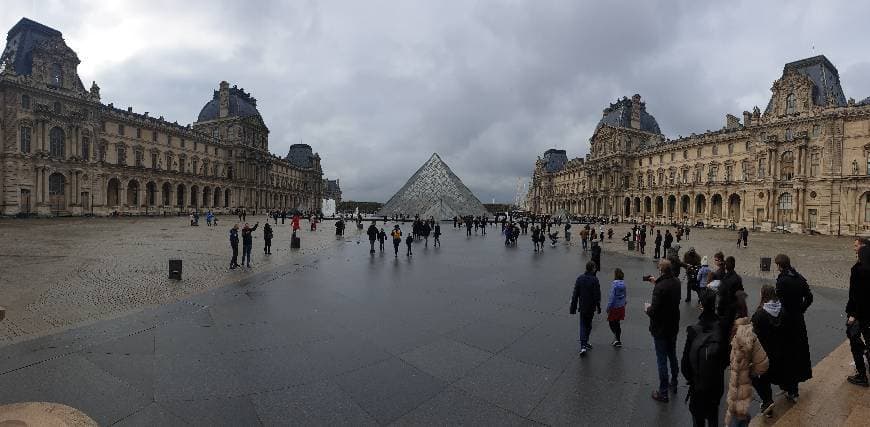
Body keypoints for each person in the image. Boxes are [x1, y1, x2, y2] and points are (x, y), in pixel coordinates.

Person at [681, 289, 726, 426]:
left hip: (698, 385)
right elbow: (725, 360)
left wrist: (692, 378)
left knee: (698, 419)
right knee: (713, 416)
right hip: (715, 385)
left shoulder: (694, 331)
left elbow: (685, 365)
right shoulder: (722, 329)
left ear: (701, 305)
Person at [724, 291, 769, 427]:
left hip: (739, 384)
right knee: (739, 415)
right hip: (740, 383)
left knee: (737, 416)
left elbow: (762, 362)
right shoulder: (745, 329)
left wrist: (751, 371)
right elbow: (762, 362)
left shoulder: (737, 331)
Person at [774, 254, 813, 402]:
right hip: (798, 321)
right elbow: (809, 297)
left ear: (779, 266)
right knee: (797, 353)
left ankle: (791, 389)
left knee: (786, 354)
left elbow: (779, 303)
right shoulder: (799, 277)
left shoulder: (782, 281)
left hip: (786, 322)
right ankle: (790, 386)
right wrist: (801, 310)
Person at [646, 259, 682, 402]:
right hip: (673, 325)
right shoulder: (677, 282)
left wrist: (647, 309)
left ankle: (663, 392)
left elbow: (654, 310)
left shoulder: (660, 288)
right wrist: (657, 282)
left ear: (661, 270)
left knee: (661, 359)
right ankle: (674, 383)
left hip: (660, 327)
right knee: (672, 354)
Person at [752, 284, 786, 417]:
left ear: (764, 295)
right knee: (775, 373)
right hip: (780, 350)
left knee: (759, 378)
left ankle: (767, 402)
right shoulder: (782, 310)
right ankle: (789, 389)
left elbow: (754, 334)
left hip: (765, 352)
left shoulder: (760, 314)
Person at [847, 246, 870, 387]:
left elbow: (856, 296)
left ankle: (862, 375)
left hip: (859, 315)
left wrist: (853, 315)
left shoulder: (858, 271)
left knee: (855, 342)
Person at [570, 261, 602, 357]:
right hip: (591, 307)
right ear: (592, 269)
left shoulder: (580, 278)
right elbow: (597, 295)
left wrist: (573, 307)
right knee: (588, 325)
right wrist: (598, 307)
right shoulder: (594, 280)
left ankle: (583, 345)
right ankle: (585, 343)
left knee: (583, 325)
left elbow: (575, 294)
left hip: (583, 306)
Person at [717, 256, 744, 344]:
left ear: (726, 266)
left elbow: (721, 295)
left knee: (725, 332)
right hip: (735, 307)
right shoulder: (738, 278)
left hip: (726, 309)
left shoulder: (726, 280)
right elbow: (741, 292)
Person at [606, 268, 627, 348]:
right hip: (621, 307)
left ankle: (616, 338)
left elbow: (612, 297)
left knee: (611, 322)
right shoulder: (623, 284)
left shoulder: (614, 284)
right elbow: (625, 295)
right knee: (617, 323)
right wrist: (624, 303)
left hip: (614, 307)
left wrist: (608, 307)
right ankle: (618, 339)